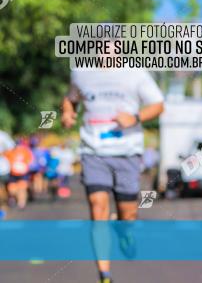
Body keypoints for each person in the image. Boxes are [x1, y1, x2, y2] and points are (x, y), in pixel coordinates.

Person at [62, 64, 165, 283]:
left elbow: (158, 105)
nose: (105, 47)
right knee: (98, 207)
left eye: (110, 42)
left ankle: (125, 231)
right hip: (93, 151)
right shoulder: (81, 72)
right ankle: (104, 276)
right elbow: (71, 98)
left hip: (127, 151)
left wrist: (135, 118)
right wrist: (67, 113)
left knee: (128, 214)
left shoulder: (135, 74)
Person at [5, 137, 34, 209]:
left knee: (22, 188)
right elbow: (5, 160)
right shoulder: (9, 152)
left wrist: (25, 166)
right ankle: (14, 198)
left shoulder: (25, 151)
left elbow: (30, 160)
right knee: (12, 190)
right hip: (12, 173)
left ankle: (21, 203)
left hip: (23, 173)